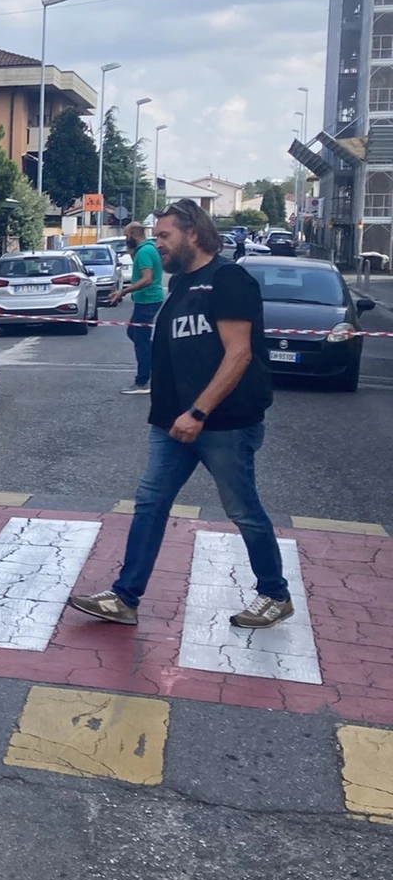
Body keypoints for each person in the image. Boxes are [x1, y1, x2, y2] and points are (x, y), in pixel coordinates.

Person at [68, 200, 293, 629]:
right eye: (155, 236)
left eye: (165, 236)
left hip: (222, 423)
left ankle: (275, 594)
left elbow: (239, 354)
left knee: (243, 508)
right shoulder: (183, 285)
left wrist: (198, 411)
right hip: (172, 423)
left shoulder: (229, 280)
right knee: (150, 504)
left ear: (193, 233)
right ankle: (124, 597)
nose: (157, 244)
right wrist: (173, 413)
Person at [105, 221, 163, 396]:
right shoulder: (146, 249)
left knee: (141, 340)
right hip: (148, 299)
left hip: (148, 299)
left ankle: (142, 381)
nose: (125, 238)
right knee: (134, 334)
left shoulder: (144, 252)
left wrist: (123, 291)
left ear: (134, 235)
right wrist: (131, 251)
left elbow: (147, 279)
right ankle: (160, 358)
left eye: (126, 235)